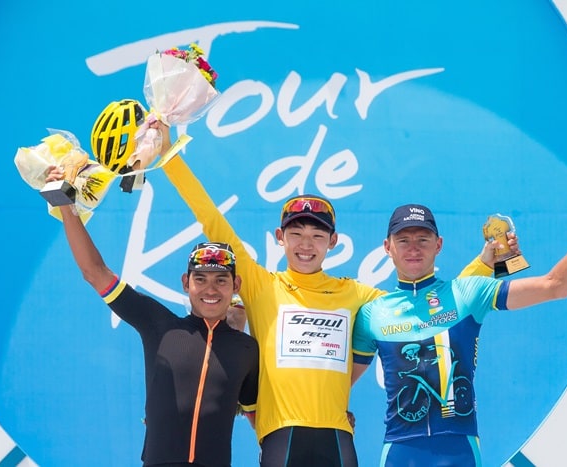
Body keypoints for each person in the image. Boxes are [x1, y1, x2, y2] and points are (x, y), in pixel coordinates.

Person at [159, 139, 517, 466]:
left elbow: (430, 305)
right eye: (296, 234)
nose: (306, 244)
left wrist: (485, 264)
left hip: (337, 435)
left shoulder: (355, 294)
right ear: (279, 237)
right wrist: (168, 155)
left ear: (333, 241)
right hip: (281, 434)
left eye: (317, 235)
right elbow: (211, 219)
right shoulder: (260, 284)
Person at [350, 191, 567, 467]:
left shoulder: (468, 293)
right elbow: (340, 382)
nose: (413, 248)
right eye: (403, 240)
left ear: (438, 245)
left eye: (423, 239)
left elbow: (556, 286)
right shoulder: (373, 313)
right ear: (387, 246)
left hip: (459, 450)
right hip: (401, 451)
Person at [45, 167, 259, 467]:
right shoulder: (159, 325)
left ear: (235, 286)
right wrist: (65, 205)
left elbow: (259, 419)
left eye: (221, 280)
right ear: (186, 283)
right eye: (201, 279)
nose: (210, 289)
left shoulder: (247, 349)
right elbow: (95, 273)